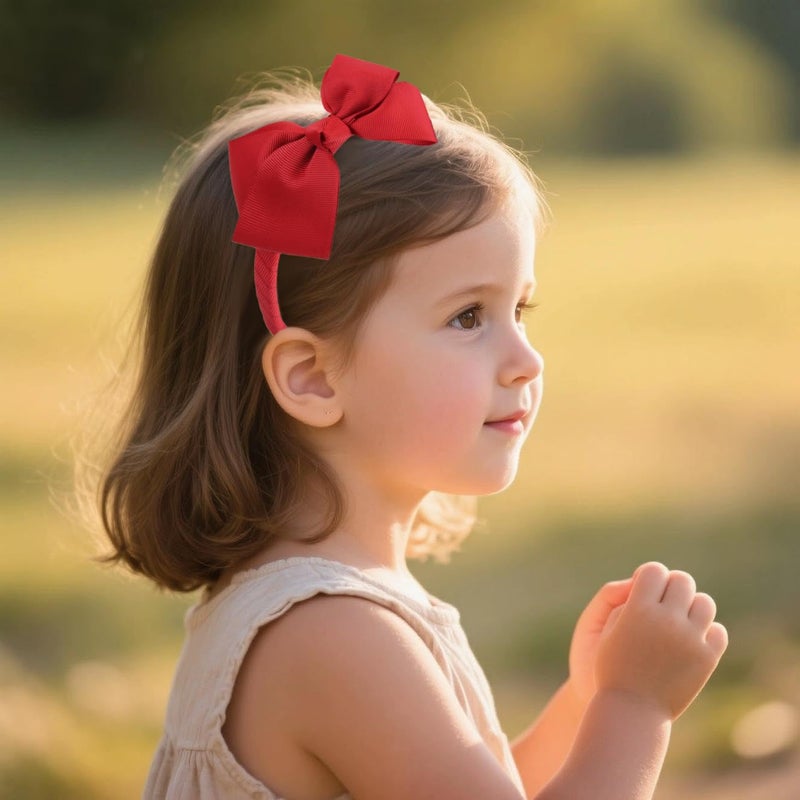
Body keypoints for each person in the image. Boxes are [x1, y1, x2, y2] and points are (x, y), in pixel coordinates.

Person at [89, 54, 727, 799]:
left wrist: (585, 699)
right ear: (312, 377)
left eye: (519, 310)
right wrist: (634, 709)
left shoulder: (328, 607)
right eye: (467, 316)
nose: (525, 359)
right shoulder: (336, 636)